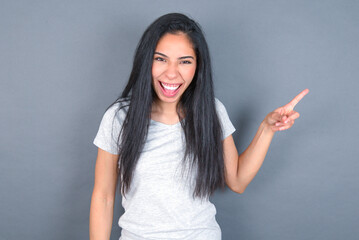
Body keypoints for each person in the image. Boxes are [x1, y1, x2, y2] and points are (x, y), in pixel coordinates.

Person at [89, 13, 309, 240]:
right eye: (161, 59)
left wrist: (267, 128)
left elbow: (237, 181)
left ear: (197, 66)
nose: (172, 73)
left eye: (185, 61)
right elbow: (103, 196)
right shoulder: (119, 117)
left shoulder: (211, 111)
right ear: (147, 61)